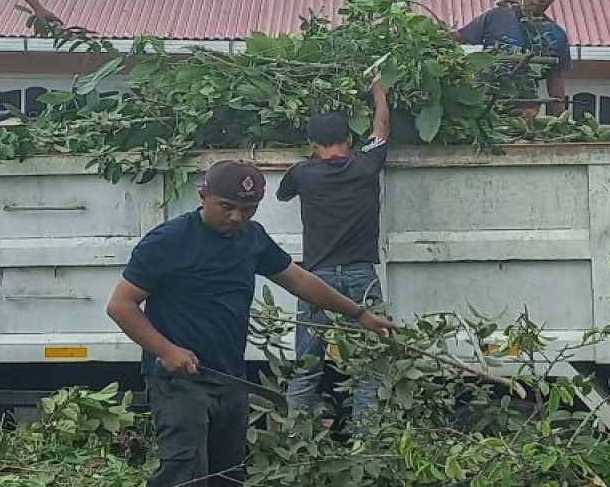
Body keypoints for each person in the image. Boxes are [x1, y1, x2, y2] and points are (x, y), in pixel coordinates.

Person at [106, 160, 395, 487]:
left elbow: (299, 280)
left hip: (230, 379)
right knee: (182, 473)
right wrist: (167, 350)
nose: (236, 217)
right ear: (203, 195)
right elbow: (120, 305)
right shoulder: (169, 241)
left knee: (228, 475)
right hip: (179, 381)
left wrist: (359, 313)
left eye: (248, 209)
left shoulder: (251, 238)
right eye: (226, 207)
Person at [277, 78, 389, 427]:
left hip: (316, 279)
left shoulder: (302, 174)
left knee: (306, 365)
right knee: (370, 366)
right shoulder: (366, 164)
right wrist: (379, 94)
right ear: (350, 140)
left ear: (311, 144)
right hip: (361, 276)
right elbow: (382, 128)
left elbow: (281, 195)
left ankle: (296, 441)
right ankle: (365, 442)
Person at [452, 0, 572, 115]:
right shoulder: (497, 16)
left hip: (525, 105)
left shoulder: (556, 35)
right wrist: (428, 35)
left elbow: (556, 78)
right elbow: (459, 37)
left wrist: (561, 118)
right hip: (484, 99)